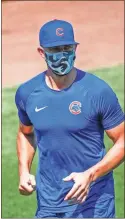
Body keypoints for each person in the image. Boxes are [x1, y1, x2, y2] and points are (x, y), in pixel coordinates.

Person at [15, 19, 124, 218]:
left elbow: (122, 141)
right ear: (42, 53)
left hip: (94, 201)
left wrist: (90, 175)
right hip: (49, 202)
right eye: (55, 49)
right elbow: (25, 133)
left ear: (75, 49)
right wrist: (24, 170)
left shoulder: (98, 91)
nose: (62, 54)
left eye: (67, 47)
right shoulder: (28, 93)